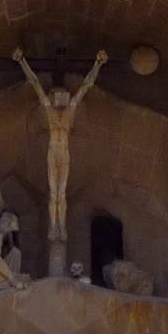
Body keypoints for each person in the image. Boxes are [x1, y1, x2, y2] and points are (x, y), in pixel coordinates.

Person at [13, 47, 106, 249]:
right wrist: (22, 61)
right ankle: (52, 227)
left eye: (64, 95)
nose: (62, 98)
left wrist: (98, 64)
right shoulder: (50, 112)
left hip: (64, 154)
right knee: (54, 194)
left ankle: (61, 227)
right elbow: (35, 83)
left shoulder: (70, 113)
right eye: (59, 96)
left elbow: (86, 86)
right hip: (53, 154)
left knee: (61, 194)